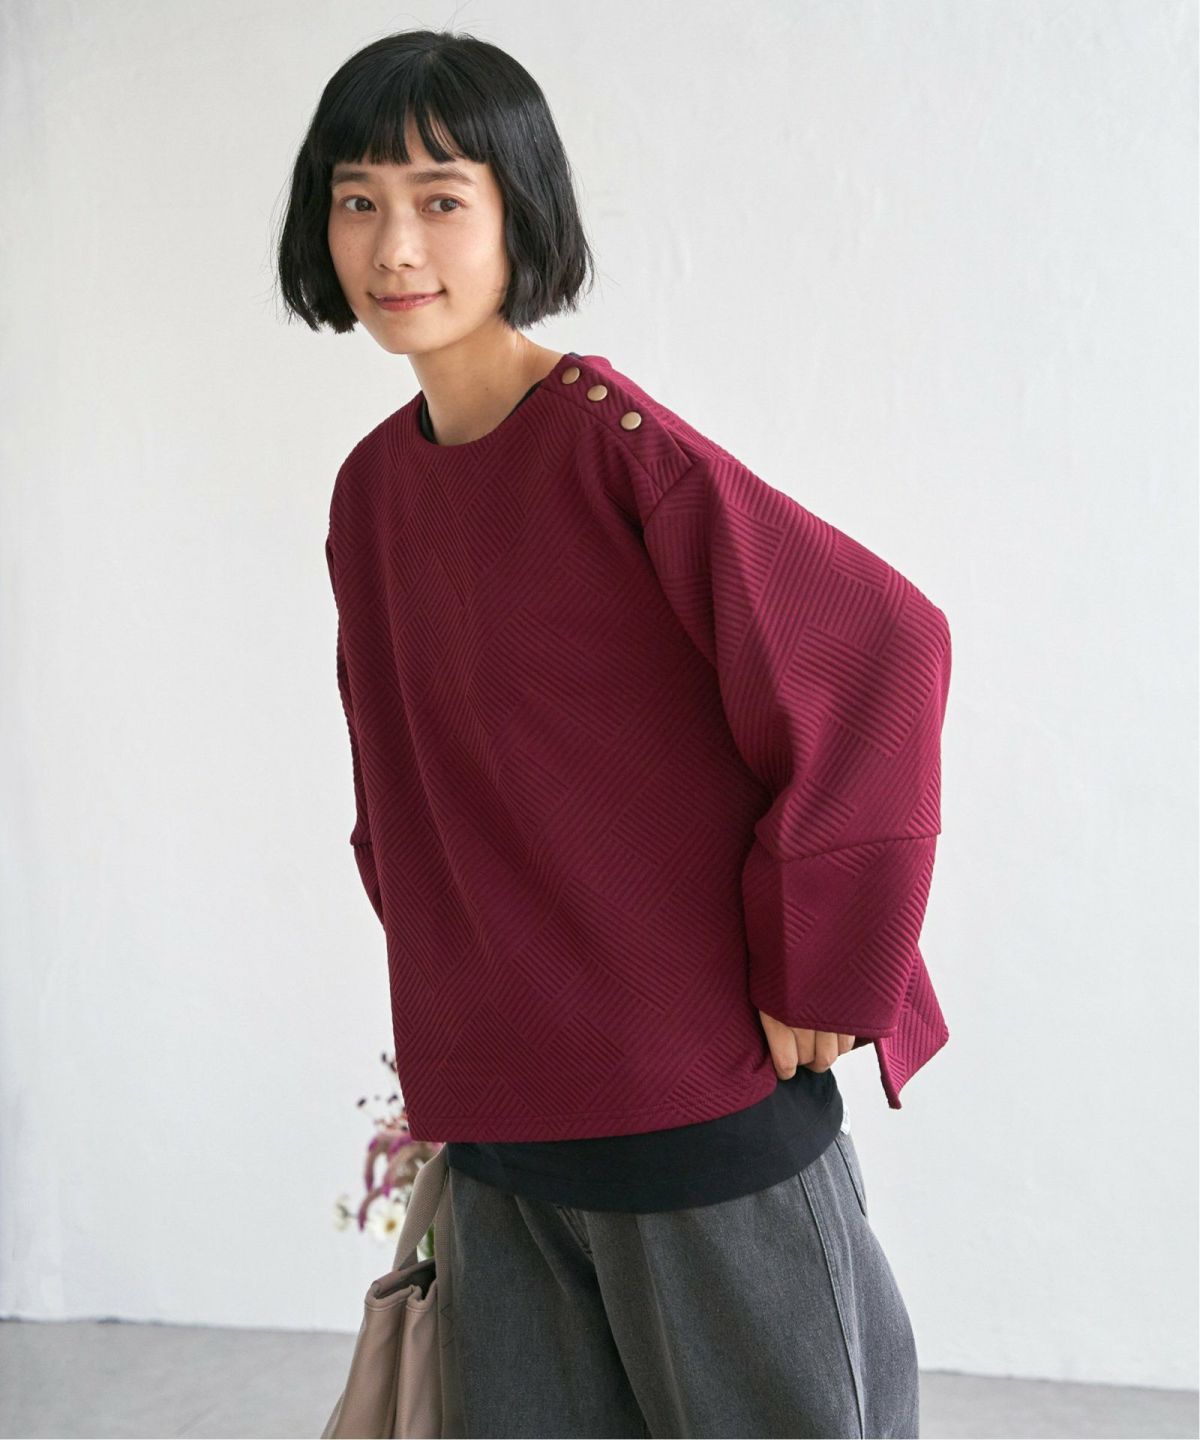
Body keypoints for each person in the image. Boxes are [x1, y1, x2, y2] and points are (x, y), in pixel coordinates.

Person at [277, 27, 952, 1440]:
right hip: (505, 1118)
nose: (394, 245)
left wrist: (828, 962)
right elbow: (399, 786)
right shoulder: (369, 492)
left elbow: (881, 642)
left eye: (441, 199)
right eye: (357, 201)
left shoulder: (608, 443)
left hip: (694, 1106)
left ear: (519, 211)